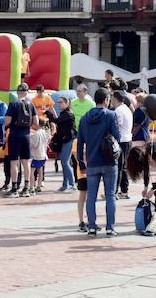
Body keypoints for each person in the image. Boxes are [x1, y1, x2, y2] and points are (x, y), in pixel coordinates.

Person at [77, 87, 124, 236]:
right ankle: (110, 227)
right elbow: (117, 136)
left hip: (92, 161)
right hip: (109, 161)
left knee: (91, 196)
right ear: (105, 100)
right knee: (110, 195)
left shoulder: (84, 118)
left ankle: (92, 226)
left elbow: (80, 143)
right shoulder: (111, 115)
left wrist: (81, 162)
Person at [5, 84, 34, 196]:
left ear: (17, 92)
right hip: (26, 135)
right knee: (26, 162)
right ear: (26, 92)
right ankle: (26, 187)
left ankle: (14, 188)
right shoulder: (31, 105)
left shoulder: (13, 104)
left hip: (14, 135)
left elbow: (7, 121)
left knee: (14, 162)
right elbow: (35, 122)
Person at [52, 96, 77, 192]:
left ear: (67, 103)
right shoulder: (64, 113)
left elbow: (57, 121)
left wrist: (49, 113)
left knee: (65, 162)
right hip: (65, 140)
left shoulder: (68, 114)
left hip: (69, 140)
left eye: (61, 102)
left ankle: (72, 184)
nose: (59, 104)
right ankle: (65, 185)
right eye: (58, 102)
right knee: (64, 162)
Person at [111, 91, 134, 199]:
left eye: (111, 97)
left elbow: (116, 126)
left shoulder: (118, 110)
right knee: (123, 166)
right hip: (127, 139)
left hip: (122, 140)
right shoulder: (126, 109)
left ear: (115, 98)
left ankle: (114, 191)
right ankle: (124, 191)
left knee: (118, 167)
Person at [29, 116, 50, 194]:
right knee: (40, 171)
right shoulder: (45, 132)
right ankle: (38, 186)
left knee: (31, 171)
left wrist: (29, 139)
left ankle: (31, 187)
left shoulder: (35, 134)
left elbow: (33, 144)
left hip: (36, 155)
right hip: (43, 155)